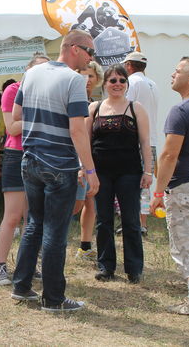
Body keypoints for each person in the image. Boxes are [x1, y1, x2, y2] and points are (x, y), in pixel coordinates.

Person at [11, 30, 99, 312]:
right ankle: (53, 298)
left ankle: (21, 286)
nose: (91, 58)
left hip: (31, 160)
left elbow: (17, 116)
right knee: (55, 232)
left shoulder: (31, 74)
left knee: (34, 225)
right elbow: (77, 130)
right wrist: (90, 170)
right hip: (60, 164)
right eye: (89, 51)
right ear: (74, 48)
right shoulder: (74, 80)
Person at [88, 65, 152, 283]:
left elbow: (145, 143)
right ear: (105, 83)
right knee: (103, 220)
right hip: (100, 173)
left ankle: (134, 269)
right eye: (113, 80)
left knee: (131, 221)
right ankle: (106, 267)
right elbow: (85, 142)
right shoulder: (94, 108)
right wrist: (84, 169)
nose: (117, 84)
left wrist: (148, 171)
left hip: (129, 173)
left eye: (122, 80)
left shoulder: (136, 108)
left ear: (127, 84)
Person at [150, 56, 189, 317]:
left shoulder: (181, 111)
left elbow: (169, 155)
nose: (173, 74)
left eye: (178, 70)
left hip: (186, 188)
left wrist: (158, 192)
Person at [0, 54, 50, 286]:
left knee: (33, 217)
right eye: (38, 69)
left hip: (41, 154)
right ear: (27, 70)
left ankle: (27, 265)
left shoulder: (49, 92)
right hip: (17, 155)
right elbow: (12, 128)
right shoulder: (13, 90)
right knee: (13, 216)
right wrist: (42, 119)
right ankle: (0, 266)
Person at [122, 52, 159, 236]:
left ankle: (132, 222)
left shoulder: (132, 82)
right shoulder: (153, 84)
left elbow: (125, 109)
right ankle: (142, 223)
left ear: (129, 65)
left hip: (135, 140)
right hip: (151, 141)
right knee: (145, 184)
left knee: (130, 182)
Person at [73, 60, 104, 261]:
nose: (86, 80)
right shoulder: (73, 99)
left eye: (90, 76)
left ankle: (85, 246)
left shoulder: (94, 103)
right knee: (74, 206)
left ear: (97, 79)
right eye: (82, 75)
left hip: (91, 161)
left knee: (91, 203)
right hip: (75, 162)